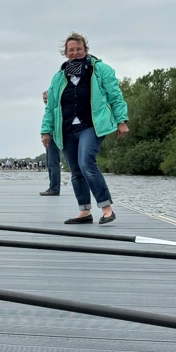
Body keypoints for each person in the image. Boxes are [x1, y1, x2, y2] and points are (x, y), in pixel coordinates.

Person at [41, 32, 129, 224]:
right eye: (71, 50)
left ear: (85, 50)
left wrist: (122, 120)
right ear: (65, 53)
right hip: (67, 129)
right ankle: (85, 211)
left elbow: (116, 96)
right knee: (76, 171)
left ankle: (106, 209)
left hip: (91, 126)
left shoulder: (100, 70)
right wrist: (46, 131)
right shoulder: (59, 78)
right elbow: (51, 107)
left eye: (78, 49)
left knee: (86, 163)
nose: (75, 52)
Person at [40, 90, 64, 196]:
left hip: (53, 137)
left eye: (46, 98)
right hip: (50, 137)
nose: (45, 101)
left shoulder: (54, 109)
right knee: (50, 163)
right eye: (44, 99)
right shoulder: (49, 109)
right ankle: (52, 186)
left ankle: (54, 188)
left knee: (53, 163)